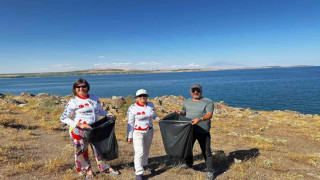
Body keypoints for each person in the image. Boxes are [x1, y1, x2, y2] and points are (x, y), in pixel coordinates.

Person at [60, 78, 119, 179]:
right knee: (81, 151)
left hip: (95, 129)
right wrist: (79, 124)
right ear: (75, 89)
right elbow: (63, 117)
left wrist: (107, 113)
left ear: (87, 87)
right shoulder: (73, 102)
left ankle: (105, 167)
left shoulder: (94, 97)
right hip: (79, 130)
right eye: (78, 87)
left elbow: (99, 111)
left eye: (84, 86)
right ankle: (87, 170)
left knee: (100, 147)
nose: (81, 88)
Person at [176, 84, 215, 180]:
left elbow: (209, 115)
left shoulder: (208, 102)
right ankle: (188, 163)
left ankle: (209, 171)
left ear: (201, 91)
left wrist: (200, 119)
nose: (196, 92)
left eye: (198, 90)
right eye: (194, 90)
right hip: (189, 130)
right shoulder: (187, 102)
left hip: (203, 130)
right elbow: (185, 112)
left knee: (206, 151)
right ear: (191, 92)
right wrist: (180, 113)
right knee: (188, 148)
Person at [127, 89, 160, 180]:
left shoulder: (150, 105)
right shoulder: (132, 108)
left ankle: (145, 164)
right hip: (137, 132)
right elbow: (130, 122)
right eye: (140, 96)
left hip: (149, 130)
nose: (143, 97)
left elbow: (152, 114)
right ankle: (139, 172)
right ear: (137, 97)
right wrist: (129, 136)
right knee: (139, 152)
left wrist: (156, 117)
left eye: (144, 95)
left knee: (146, 150)